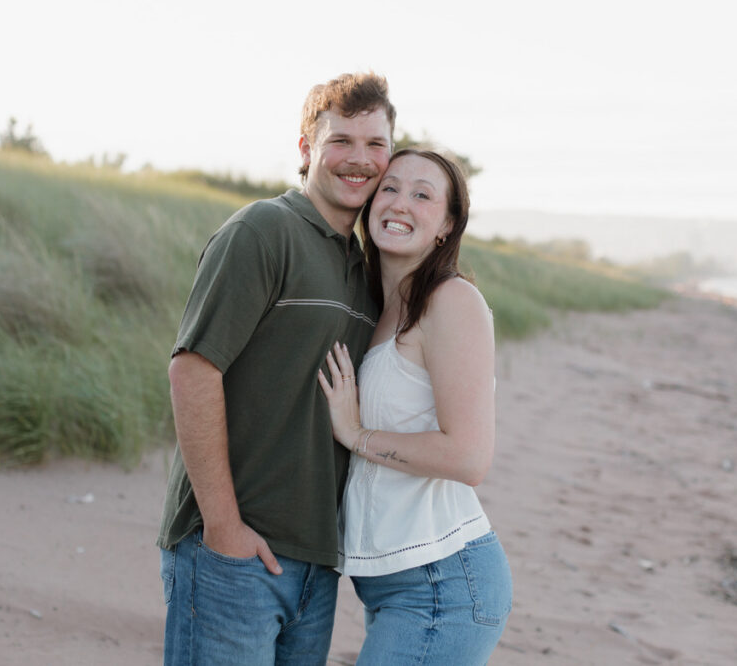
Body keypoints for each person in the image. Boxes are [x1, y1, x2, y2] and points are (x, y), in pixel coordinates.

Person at [156, 73, 395, 665]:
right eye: (341, 141)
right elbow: (193, 371)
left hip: (317, 562)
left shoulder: (368, 268)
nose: (360, 159)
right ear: (306, 148)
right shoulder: (263, 231)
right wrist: (224, 528)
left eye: (376, 144)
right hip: (234, 551)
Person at [318, 149, 513, 664]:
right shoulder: (380, 308)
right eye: (390, 188)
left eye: (422, 195)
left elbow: (468, 458)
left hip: (442, 583)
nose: (400, 203)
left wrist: (356, 434)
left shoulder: (451, 301)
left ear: (447, 225)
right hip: (395, 583)